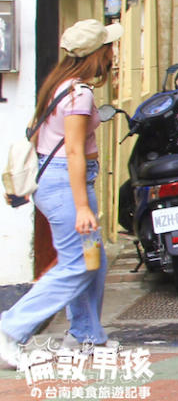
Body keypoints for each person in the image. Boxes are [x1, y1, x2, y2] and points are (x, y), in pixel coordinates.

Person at [1, 19, 123, 368]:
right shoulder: (79, 94)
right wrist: (83, 206)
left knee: (91, 261)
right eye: (108, 47)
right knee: (76, 266)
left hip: (63, 184)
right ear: (97, 54)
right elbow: (72, 151)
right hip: (67, 187)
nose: (112, 53)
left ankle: (86, 333)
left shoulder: (61, 86)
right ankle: (10, 328)